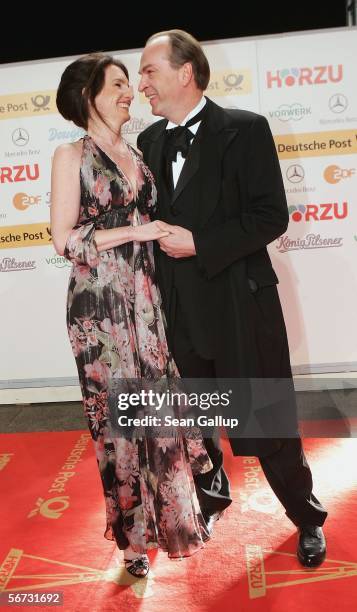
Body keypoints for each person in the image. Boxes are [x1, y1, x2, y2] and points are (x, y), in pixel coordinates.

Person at [137, 30, 327, 567]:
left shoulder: (245, 130)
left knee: (266, 421)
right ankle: (211, 498)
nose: (142, 82)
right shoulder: (148, 142)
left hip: (241, 308)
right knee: (197, 419)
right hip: (178, 312)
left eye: (150, 70)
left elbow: (269, 216)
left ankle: (306, 517)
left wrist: (199, 243)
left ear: (185, 72)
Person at [50, 52, 213, 579]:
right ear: (87, 95)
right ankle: (132, 541)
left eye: (130, 82)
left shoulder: (138, 153)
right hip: (99, 308)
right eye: (118, 83)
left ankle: (174, 522)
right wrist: (132, 232)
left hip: (145, 296)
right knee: (121, 426)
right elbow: (62, 239)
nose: (130, 92)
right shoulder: (70, 154)